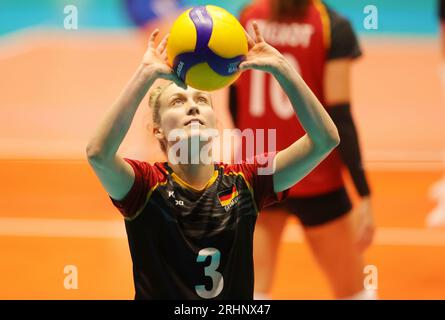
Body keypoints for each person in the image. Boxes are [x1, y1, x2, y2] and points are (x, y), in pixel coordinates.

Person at [85, 22, 340, 299]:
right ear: (157, 129)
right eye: (177, 102)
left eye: (202, 100)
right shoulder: (145, 187)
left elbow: (324, 140)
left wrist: (281, 67)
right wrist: (145, 74)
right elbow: (98, 154)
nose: (193, 105)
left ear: (215, 124)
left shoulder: (246, 182)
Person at [230, 0, 375, 299]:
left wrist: (248, 147)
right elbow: (341, 116)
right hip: (316, 176)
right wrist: (364, 193)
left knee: (250, 293)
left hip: (257, 174)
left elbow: (235, 100)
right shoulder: (331, 26)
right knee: (355, 293)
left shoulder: (247, 17)